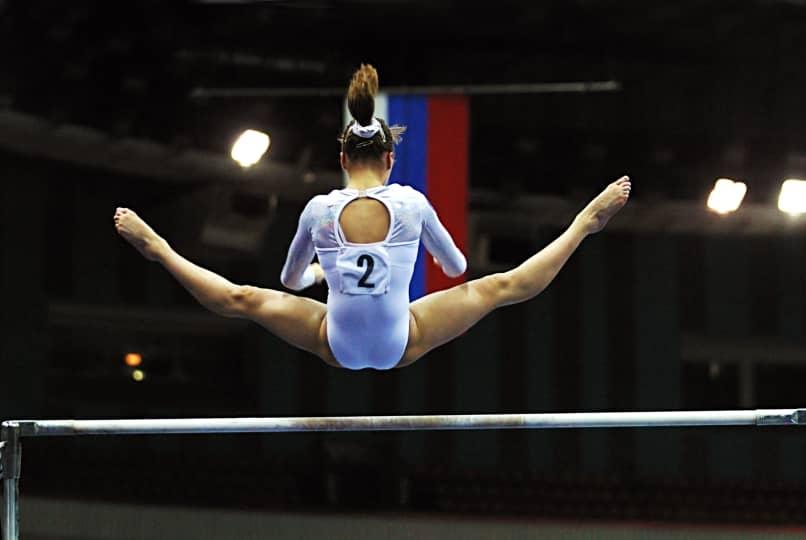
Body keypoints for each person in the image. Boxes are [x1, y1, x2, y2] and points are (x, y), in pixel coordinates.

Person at [114, 64, 631, 371]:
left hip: (333, 341)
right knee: (500, 287)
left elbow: (288, 282)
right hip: (401, 338)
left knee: (241, 299)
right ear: (390, 158)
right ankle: (584, 223)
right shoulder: (412, 204)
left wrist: (320, 272)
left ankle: (159, 249)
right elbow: (456, 269)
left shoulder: (319, 210)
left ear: (342, 158)